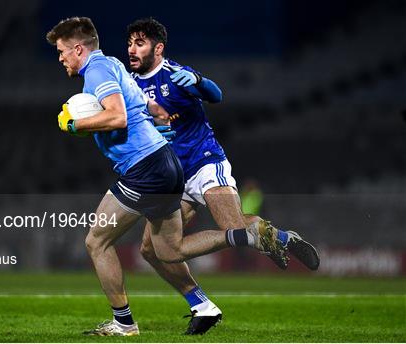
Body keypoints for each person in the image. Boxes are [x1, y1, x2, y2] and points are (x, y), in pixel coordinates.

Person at [46, 16, 288, 336]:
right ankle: (241, 239)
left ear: (78, 49)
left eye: (62, 51)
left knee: (97, 242)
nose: (60, 57)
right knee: (167, 251)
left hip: (144, 169)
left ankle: (124, 324)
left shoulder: (98, 70)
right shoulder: (114, 65)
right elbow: (156, 110)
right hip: (165, 163)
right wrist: (154, 127)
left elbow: (117, 117)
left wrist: (75, 125)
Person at [127, 17, 320, 334]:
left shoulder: (175, 74)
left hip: (204, 163)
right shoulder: (131, 82)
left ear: (157, 48)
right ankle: (201, 305)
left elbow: (215, 95)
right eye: (131, 43)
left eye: (140, 43)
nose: (132, 49)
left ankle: (285, 238)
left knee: (232, 227)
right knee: (150, 249)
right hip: (173, 176)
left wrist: (199, 81)